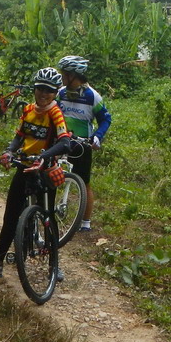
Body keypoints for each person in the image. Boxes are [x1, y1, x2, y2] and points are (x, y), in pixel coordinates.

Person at [0, 67, 71, 279]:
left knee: (48, 217)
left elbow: (64, 142)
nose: (43, 94)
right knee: (10, 216)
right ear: (34, 89)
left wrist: (44, 156)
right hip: (24, 167)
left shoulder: (55, 112)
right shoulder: (29, 110)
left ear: (55, 93)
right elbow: (20, 136)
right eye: (40, 89)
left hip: (44, 170)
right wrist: (9, 151)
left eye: (49, 91)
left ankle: (54, 265)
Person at [56, 55, 111, 233]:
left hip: (82, 145)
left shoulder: (92, 96)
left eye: (64, 74)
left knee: (84, 182)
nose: (61, 77)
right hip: (62, 142)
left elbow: (105, 119)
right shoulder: (61, 93)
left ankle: (85, 221)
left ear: (73, 75)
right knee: (51, 175)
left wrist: (97, 136)